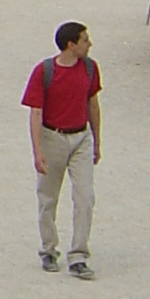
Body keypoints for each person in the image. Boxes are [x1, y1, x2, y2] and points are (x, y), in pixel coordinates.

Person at [23, 22, 101, 278]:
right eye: (85, 40)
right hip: (53, 137)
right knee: (48, 198)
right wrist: (38, 151)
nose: (89, 44)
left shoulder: (90, 68)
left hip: (81, 137)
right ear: (72, 45)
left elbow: (93, 104)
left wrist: (97, 141)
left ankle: (79, 255)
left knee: (85, 197)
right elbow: (36, 113)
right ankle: (48, 249)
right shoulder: (44, 71)